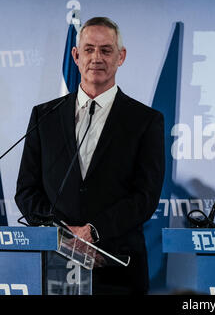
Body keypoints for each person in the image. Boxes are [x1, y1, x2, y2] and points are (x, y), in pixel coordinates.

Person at [15, 17, 165, 294]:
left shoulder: (145, 120)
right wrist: (62, 232)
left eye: (106, 50)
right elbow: (26, 191)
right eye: (89, 49)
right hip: (53, 267)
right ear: (75, 55)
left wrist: (93, 230)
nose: (97, 57)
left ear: (121, 57)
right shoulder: (43, 116)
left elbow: (145, 196)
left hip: (119, 270)